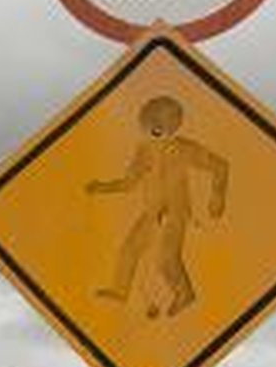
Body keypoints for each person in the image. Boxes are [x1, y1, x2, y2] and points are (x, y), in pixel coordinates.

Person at [88, 93, 231, 320]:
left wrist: (217, 197)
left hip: (175, 213)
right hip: (151, 212)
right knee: (128, 250)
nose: (156, 125)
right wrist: (102, 187)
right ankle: (119, 291)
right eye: (151, 119)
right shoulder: (144, 150)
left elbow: (221, 166)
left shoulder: (185, 148)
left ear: (175, 123)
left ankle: (185, 294)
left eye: (163, 119)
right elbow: (129, 183)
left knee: (166, 259)